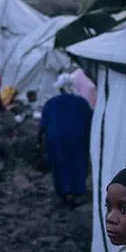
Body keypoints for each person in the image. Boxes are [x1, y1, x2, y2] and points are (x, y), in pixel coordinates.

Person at [40, 77, 93, 205]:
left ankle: (63, 191)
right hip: (78, 138)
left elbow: (44, 123)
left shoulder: (51, 102)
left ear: (59, 88)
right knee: (77, 162)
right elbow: (91, 120)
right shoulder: (82, 102)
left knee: (59, 163)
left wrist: (39, 139)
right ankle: (77, 190)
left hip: (56, 138)